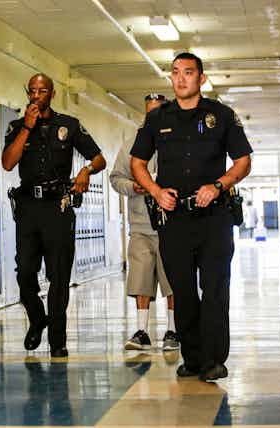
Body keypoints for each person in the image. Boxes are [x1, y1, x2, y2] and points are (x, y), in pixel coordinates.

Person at [130, 52, 252, 382]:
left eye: (188, 72)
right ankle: (192, 357)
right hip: (174, 219)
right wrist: (156, 191)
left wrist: (218, 184)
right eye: (175, 73)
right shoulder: (157, 119)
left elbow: (243, 161)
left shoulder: (221, 115)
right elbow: (137, 163)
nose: (181, 78)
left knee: (214, 288)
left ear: (201, 78)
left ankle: (213, 359)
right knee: (182, 291)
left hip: (214, 217)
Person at [2, 73, 106, 358]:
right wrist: (27, 127)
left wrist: (85, 170)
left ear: (52, 94)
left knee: (59, 276)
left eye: (42, 91)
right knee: (24, 272)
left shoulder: (68, 126)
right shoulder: (16, 127)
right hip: (28, 208)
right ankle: (37, 319)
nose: (36, 96)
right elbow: (8, 163)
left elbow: (99, 158)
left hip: (58, 207)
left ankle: (57, 341)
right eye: (32, 91)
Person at [110, 93, 179, 352]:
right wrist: (133, 187)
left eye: (158, 112)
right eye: (149, 112)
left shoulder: (177, 142)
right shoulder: (131, 145)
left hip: (171, 224)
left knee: (172, 279)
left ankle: (173, 330)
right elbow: (116, 178)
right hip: (141, 224)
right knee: (140, 278)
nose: (153, 117)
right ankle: (141, 331)